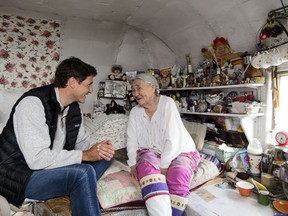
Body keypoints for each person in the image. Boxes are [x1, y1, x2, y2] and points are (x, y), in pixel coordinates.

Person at [0, 57, 115, 216]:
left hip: (49, 167)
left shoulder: (73, 108)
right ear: (73, 82)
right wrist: (86, 155)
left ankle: (75, 187)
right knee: (83, 173)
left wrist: (99, 149)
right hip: (19, 175)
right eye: (88, 84)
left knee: (105, 157)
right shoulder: (33, 104)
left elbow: (82, 143)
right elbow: (37, 160)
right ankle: (78, 186)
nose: (91, 90)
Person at [127, 73, 201, 216]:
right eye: (133, 90)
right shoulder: (135, 112)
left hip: (180, 150)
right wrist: (131, 163)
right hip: (151, 151)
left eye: (138, 88)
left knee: (179, 173)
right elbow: (131, 139)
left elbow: (173, 139)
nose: (135, 94)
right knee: (146, 166)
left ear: (152, 87)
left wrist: (164, 166)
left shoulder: (167, 103)